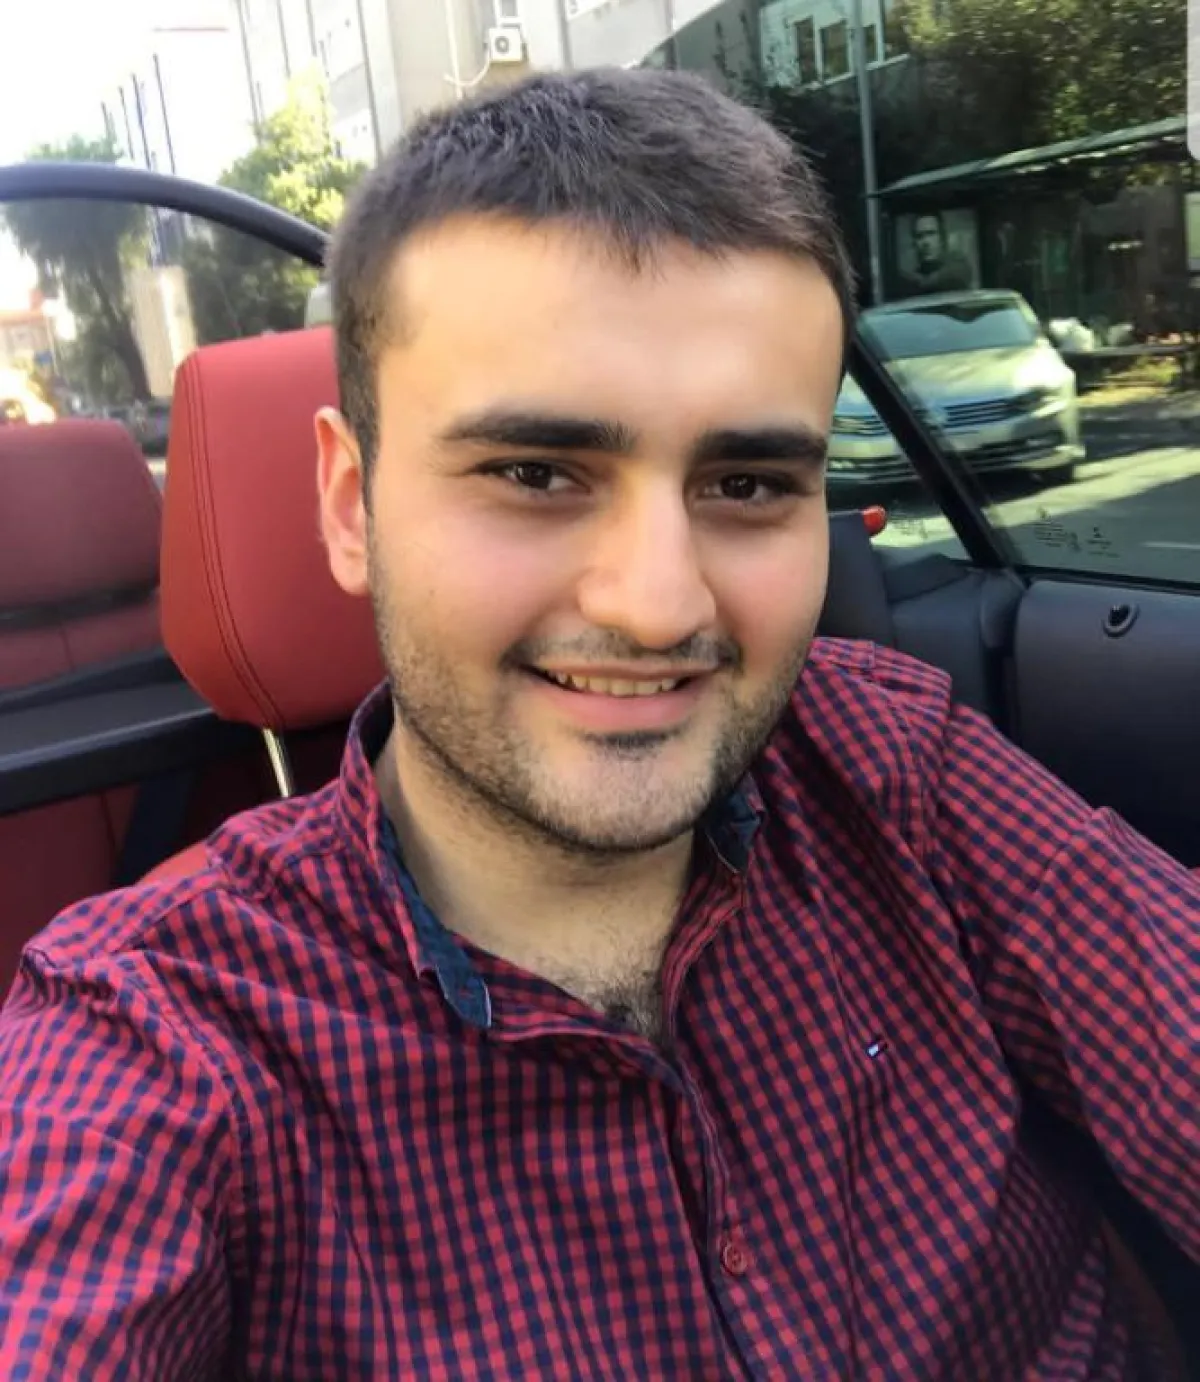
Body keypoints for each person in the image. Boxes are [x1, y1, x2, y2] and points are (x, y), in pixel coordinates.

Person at [0, 68, 1196, 1381]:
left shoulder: (892, 764)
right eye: (534, 472)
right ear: (351, 506)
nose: (660, 604)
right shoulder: (157, 1040)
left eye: (747, 482)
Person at [899, 210, 975, 295]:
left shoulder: (958, 266)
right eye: (919, 236)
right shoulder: (915, 276)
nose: (926, 242)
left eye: (931, 234)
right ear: (914, 242)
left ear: (942, 237)